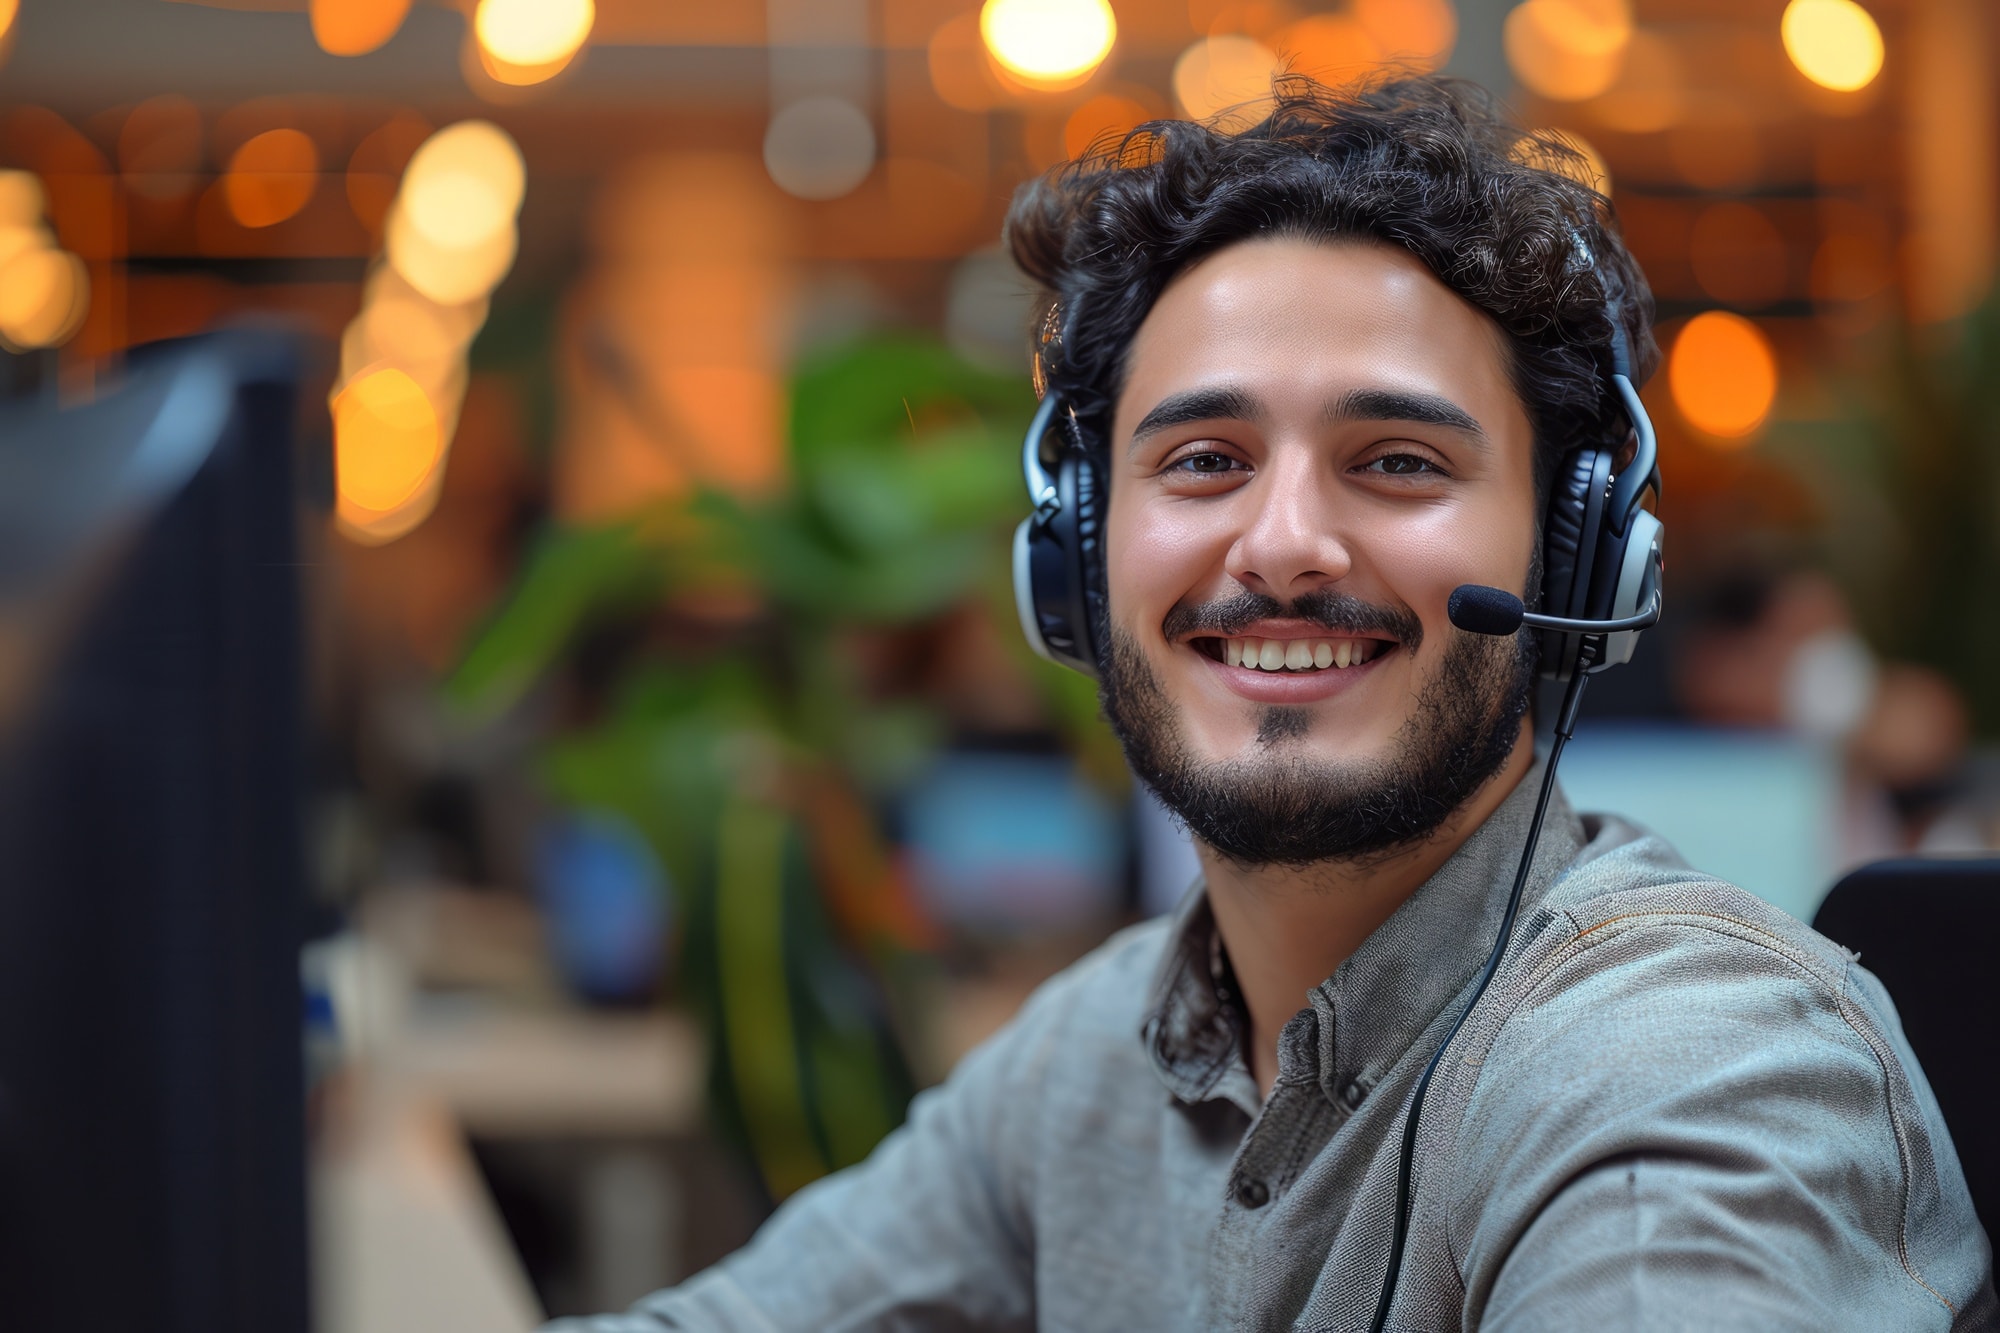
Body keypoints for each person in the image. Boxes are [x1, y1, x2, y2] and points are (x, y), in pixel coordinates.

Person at [549, 76, 1994, 1331]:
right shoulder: (1106, 1048)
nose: (1285, 540)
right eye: (1202, 461)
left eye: (1399, 461)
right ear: (1078, 560)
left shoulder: (1688, 1071)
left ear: (1571, 557)